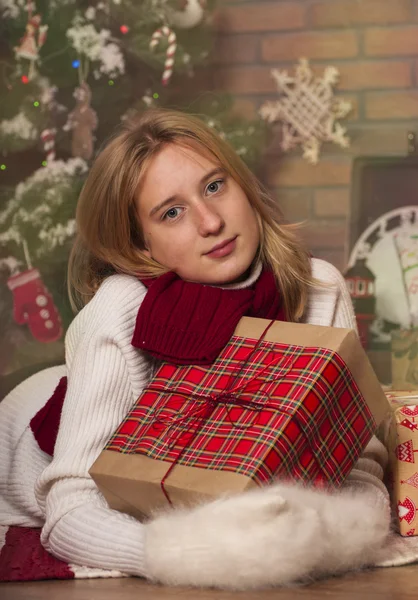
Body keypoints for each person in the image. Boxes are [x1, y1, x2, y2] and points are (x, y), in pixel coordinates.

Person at [0, 109, 392, 589]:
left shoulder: (321, 289)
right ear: (142, 246)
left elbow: (362, 472)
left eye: (213, 187)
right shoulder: (119, 309)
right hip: (23, 437)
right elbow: (69, 515)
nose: (211, 222)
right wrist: (193, 551)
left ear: (242, 186)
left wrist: (306, 536)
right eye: (171, 212)